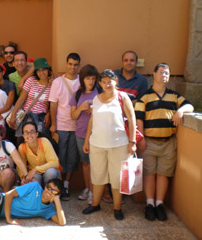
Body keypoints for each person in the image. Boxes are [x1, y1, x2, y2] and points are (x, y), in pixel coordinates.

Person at [135, 63, 194, 221]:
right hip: (149, 142)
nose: (164, 76)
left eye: (167, 73)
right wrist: (140, 139)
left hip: (168, 142)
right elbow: (139, 119)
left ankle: (159, 204)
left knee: (163, 174)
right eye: (161, 73)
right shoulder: (145, 96)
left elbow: (190, 106)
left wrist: (180, 110)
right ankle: (149, 205)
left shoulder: (174, 96)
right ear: (154, 75)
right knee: (149, 174)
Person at [82, 69, 136, 220]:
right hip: (97, 144)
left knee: (117, 178)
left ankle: (117, 208)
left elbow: (132, 119)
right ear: (100, 83)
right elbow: (92, 120)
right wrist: (87, 140)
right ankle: (95, 204)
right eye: (104, 82)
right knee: (98, 176)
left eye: (109, 81)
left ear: (115, 81)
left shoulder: (122, 97)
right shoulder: (97, 98)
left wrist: (132, 142)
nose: (107, 84)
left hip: (119, 145)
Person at [49, 53, 81, 201]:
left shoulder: (83, 81)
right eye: (70, 64)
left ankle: (66, 184)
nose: (72, 67)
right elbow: (53, 105)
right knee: (60, 156)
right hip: (61, 125)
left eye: (75, 64)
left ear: (78, 65)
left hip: (78, 126)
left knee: (73, 157)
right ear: (66, 64)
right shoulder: (57, 82)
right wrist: (54, 124)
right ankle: (59, 185)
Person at [69, 64, 100, 204]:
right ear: (82, 79)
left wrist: (94, 109)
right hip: (81, 133)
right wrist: (81, 108)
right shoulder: (77, 94)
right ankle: (87, 188)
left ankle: (95, 191)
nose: (91, 81)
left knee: (96, 164)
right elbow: (73, 116)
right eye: (88, 78)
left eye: (93, 78)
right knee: (86, 163)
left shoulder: (100, 92)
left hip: (98, 134)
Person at [8, 58, 52, 143]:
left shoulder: (53, 84)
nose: (42, 73)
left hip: (40, 117)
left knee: (39, 140)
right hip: (26, 115)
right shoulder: (31, 80)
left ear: (48, 70)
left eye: (44, 69)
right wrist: (13, 114)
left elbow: (53, 103)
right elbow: (22, 98)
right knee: (21, 140)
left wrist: (49, 113)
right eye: (38, 70)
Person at [17, 121, 61, 186]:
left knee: (51, 172)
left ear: (37, 134)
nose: (29, 135)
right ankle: (39, 195)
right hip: (35, 174)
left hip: (47, 172)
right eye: (26, 132)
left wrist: (36, 169)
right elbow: (20, 166)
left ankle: (49, 193)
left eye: (32, 132)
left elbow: (55, 163)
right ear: (23, 135)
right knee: (32, 179)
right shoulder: (22, 147)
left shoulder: (44, 141)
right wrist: (24, 177)